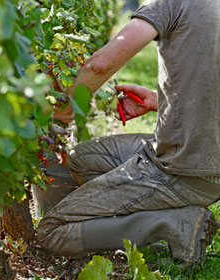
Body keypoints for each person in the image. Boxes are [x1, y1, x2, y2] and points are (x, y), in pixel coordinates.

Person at [37, 0, 220, 268]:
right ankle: (169, 222)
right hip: (207, 163)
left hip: (179, 169)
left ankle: (174, 226)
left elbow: (100, 66)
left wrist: (60, 113)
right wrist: (159, 100)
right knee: (81, 159)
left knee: (52, 231)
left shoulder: (169, 3)